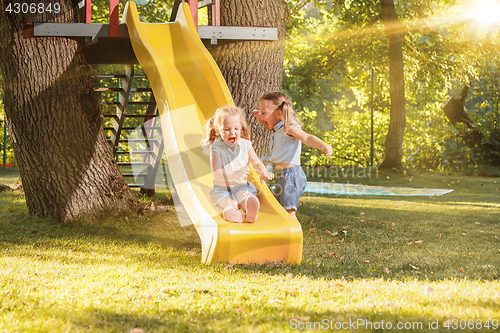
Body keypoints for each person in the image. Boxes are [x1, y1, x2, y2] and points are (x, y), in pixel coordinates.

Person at [251, 92, 332, 219]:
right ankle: (284, 236)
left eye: (264, 112)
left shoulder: (289, 127)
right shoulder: (277, 128)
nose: (262, 116)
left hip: (291, 175)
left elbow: (306, 137)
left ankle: (295, 237)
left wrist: (323, 146)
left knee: (289, 212)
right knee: (280, 211)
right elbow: (264, 122)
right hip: (282, 176)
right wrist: (260, 116)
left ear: (279, 114)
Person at [202, 106, 274, 223]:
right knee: (229, 202)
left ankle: (249, 210)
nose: (233, 132)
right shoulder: (216, 148)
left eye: (236, 128)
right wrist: (236, 173)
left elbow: (256, 162)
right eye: (227, 129)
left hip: (241, 185)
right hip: (222, 188)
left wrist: (263, 172)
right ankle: (233, 212)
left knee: (243, 196)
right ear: (217, 130)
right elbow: (217, 172)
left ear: (241, 128)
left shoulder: (245, 145)